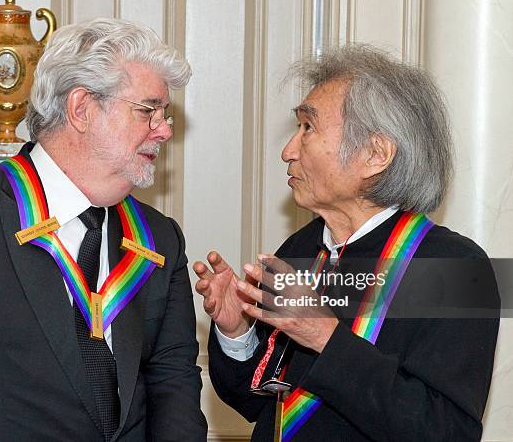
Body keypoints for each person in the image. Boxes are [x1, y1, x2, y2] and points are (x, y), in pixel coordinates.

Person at [0, 17, 207, 441]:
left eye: (165, 113)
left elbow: (173, 382)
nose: (165, 129)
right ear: (81, 108)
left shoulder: (159, 238)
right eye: (147, 110)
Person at [194, 45, 500, 441]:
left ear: (376, 154)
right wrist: (237, 333)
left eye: (308, 128)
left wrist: (323, 335)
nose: (288, 151)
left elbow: (446, 432)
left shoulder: (456, 267)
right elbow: (257, 404)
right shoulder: (300, 248)